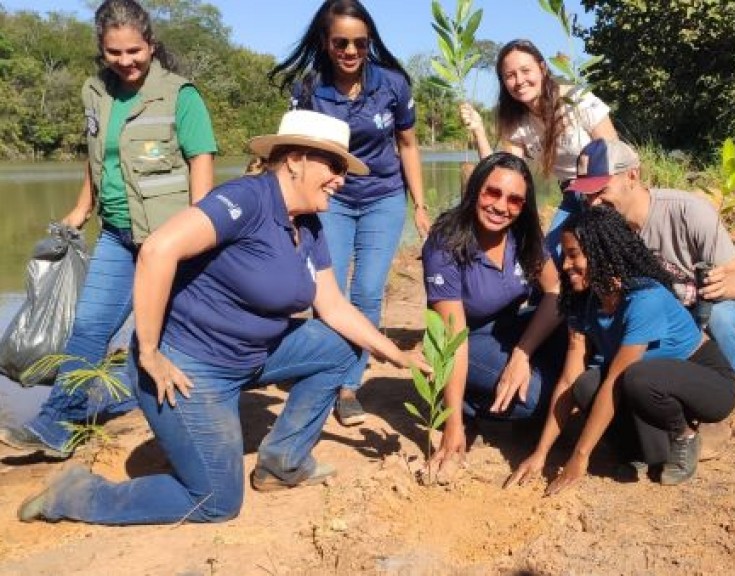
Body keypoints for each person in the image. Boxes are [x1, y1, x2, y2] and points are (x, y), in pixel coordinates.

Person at [17, 110, 430, 525]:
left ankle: (282, 463)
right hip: (192, 367)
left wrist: (396, 354)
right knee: (216, 501)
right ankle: (77, 494)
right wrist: (149, 352)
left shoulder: (308, 225)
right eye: (336, 165)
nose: (343, 178)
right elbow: (157, 250)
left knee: (341, 348)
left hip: (253, 354)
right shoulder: (246, 200)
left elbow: (334, 307)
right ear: (296, 159)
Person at [0, 0, 216, 460]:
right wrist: (82, 208)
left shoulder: (181, 95)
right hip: (117, 234)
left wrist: (201, 227)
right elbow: (97, 158)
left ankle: (168, 412)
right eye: (114, 53)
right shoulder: (94, 92)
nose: (126, 61)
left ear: (151, 45)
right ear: (102, 50)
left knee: (163, 339)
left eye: (134, 51)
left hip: (168, 239)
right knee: (89, 328)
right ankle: (56, 425)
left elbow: (201, 159)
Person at [269, 0, 430, 428]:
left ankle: (349, 385)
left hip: (383, 196)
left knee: (368, 291)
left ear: (370, 41)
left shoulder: (393, 84)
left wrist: (420, 204)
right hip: (330, 199)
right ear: (326, 41)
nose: (351, 51)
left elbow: (409, 146)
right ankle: (326, 370)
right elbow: (290, 152)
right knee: (327, 291)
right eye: (341, 42)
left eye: (360, 42)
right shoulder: (309, 88)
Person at [507, 206, 735, 492]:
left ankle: (685, 435)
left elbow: (617, 381)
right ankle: (643, 450)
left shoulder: (644, 298)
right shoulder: (585, 301)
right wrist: (541, 453)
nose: (565, 265)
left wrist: (580, 457)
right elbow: (569, 380)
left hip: (706, 381)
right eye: (565, 255)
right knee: (585, 386)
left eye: (574, 254)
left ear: (601, 253)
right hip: (648, 382)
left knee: (635, 379)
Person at [421, 152, 563, 480]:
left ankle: (504, 383)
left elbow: (556, 291)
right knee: (538, 399)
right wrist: (452, 426)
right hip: (462, 341)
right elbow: (452, 337)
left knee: (572, 328)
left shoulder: (523, 235)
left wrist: (522, 354)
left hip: (508, 331)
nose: (501, 207)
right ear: (475, 190)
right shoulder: (446, 243)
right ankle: (462, 403)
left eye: (514, 200)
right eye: (492, 192)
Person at [567, 138, 735, 374]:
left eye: (601, 190)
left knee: (724, 316)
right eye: (586, 194)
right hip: (648, 318)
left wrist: (721, 285)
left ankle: (719, 386)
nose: (593, 203)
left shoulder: (688, 212)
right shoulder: (594, 227)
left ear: (632, 176)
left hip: (697, 314)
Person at [460, 39, 617, 257]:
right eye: (510, 75)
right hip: (571, 195)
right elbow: (504, 175)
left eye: (525, 71)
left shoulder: (575, 99)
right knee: (550, 255)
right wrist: (478, 130)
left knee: (605, 252)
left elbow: (615, 153)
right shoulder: (516, 121)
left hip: (605, 190)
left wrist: (606, 200)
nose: (519, 81)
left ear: (543, 69)